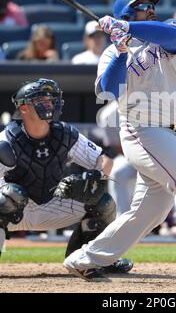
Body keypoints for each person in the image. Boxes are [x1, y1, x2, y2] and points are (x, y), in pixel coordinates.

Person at [63, 0, 176, 283]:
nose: (151, 9)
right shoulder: (111, 52)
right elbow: (109, 89)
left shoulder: (171, 30)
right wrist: (121, 50)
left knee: (151, 211)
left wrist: (129, 27)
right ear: (125, 12)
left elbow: (173, 38)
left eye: (151, 5)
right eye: (142, 6)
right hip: (142, 129)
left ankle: (84, 258)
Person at [0, 78, 133, 278]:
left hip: (52, 204)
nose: (49, 105)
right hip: (15, 210)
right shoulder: (7, 139)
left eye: (50, 100)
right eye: (41, 101)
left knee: (103, 204)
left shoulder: (64, 133)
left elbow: (104, 161)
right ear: (25, 109)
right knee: (9, 196)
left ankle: (89, 260)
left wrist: (97, 176)